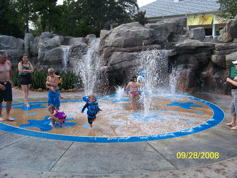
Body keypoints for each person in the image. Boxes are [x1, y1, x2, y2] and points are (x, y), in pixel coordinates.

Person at [0, 50, 14, 121]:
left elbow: (10, 71)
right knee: (0, 101)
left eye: (6, 57)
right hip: (0, 83)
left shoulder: (8, 62)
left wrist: (10, 80)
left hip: (7, 83)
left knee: (9, 100)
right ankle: (0, 116)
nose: (5, 59)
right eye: (4, 57)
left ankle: (8, 115)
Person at [226, 60, 237, 130]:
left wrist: (229, 80)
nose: (235, 66)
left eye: (236, 65)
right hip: (234, 93)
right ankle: (233, 122)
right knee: (233, 108)